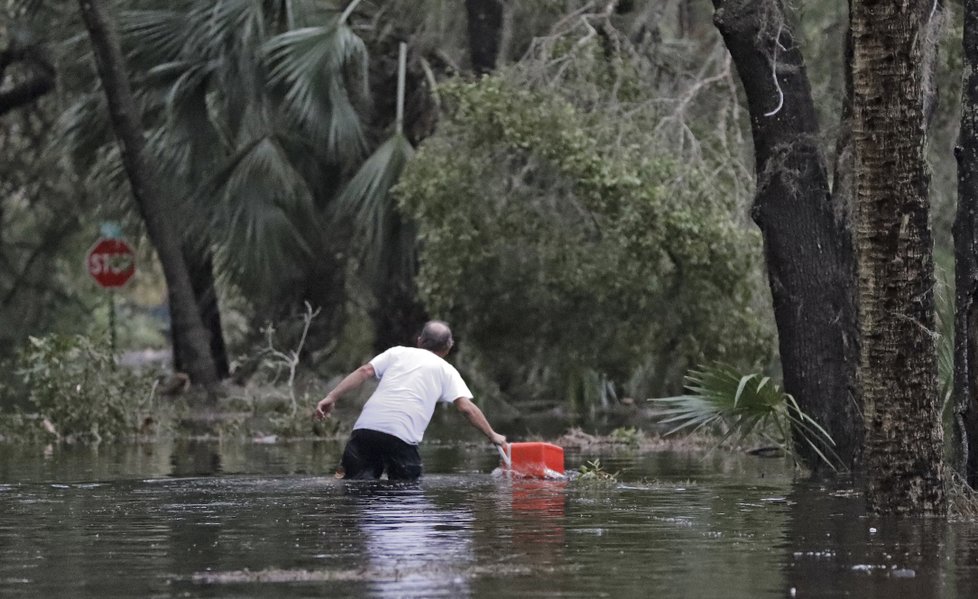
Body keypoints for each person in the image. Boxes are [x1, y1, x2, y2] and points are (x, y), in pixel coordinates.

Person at [314, 320, 507, 480]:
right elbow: (466, 408)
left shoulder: (396, 352)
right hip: (401, 438)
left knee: (354, 491)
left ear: (420, 340)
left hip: (364, 431)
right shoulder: (446, 370)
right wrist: (492, 435)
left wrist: (331, 396)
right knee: (407, 497)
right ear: (448, 347)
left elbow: (364, 371)